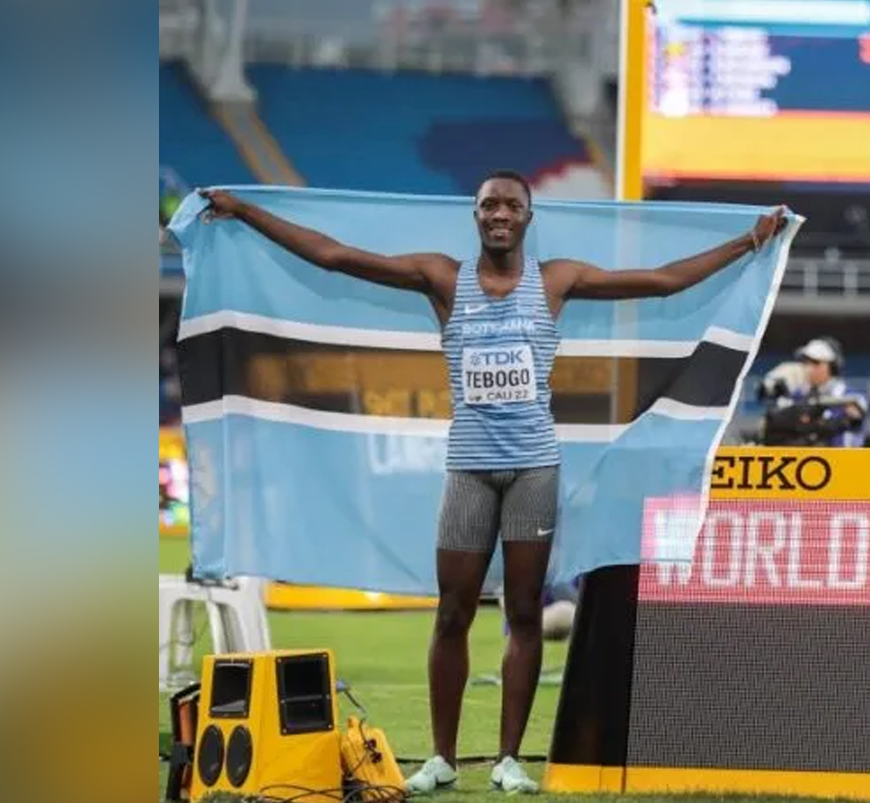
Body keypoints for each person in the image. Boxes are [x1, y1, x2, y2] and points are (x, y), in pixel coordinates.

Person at [200, 173, 785, 795]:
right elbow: (336, 256)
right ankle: (442, 759)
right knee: (451, 612)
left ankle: (508, 759)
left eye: (511, 205)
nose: (499, 213)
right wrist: (245, 211)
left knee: (525, 611)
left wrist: (748, 242)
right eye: (488, 205)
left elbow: (666, 281)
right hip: (470, 471)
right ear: (475, 216)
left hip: (534, 468)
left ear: (529, 217)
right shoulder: (442, 277)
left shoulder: (556, 280)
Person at [755, 337, 867, 447]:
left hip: (842, 461)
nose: (809, 368)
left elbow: (850, 421)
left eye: (816, 363)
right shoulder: (797, 394)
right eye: (806, 362)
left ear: (833, 366)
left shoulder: (851, 396)